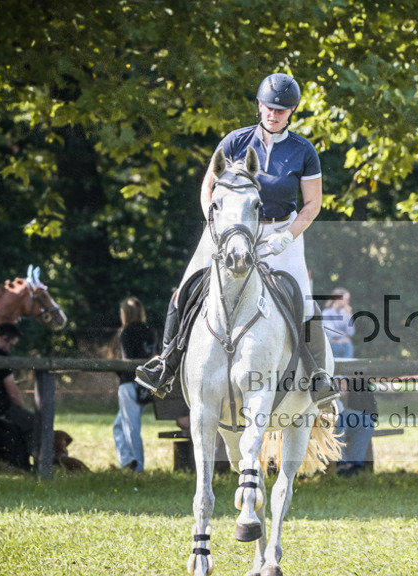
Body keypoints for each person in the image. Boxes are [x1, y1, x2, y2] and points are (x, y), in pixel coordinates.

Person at [136, 72, 338, 408]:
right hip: (228, 229)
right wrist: (215, 224)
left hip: (279, 231)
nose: (274, 114)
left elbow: (313, 204)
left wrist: (286, 238)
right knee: (182, 291)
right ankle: (166, 363)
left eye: (282, 110)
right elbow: (208, 188)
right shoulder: (235, 142)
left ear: (292, 112)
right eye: (269, 107)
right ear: (259, 107)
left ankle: (317, 375)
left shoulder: (304, 151)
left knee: (304, 300)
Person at [0, 322, 36, 470]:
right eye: (11, 345)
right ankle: (36, 465)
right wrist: (21, 409)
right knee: (35, 423)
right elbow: (13, 392)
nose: (10, 349)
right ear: (4, 338)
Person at [114, 297, 153, 472]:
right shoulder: (150, 330)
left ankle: (137, 467)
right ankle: (127, 461)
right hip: (146, 385)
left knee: (131, 428)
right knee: (119, 425)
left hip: (129, 384)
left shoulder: (127, 332)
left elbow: (127, 361)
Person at [321, 287, 356, 359]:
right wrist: (344, 336)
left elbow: (351, 332)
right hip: (333, 346)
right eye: (346, 300)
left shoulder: (346, 313)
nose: (347, 302)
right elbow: (330, 332)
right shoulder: (326, 313)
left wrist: (349, 316)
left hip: (346, 346)